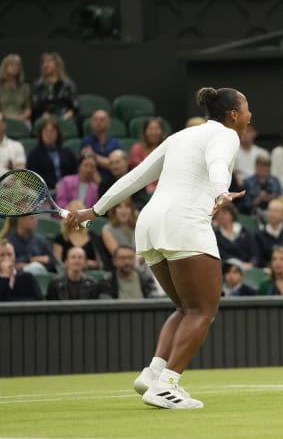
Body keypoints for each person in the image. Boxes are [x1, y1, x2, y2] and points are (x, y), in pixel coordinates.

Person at [66, 86, 250, 409]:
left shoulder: (180, 137)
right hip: (185, 222)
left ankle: (153, 373)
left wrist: (94, 210)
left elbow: (135, 177)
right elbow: (218, 161)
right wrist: (222, 190)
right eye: (247, 109)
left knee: (184, 308)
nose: (250, 115)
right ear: (233, 114)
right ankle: (168, 385)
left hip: (149, 224)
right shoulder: (227, 135)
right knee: (203, 310)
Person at [26, 116, 77, 189]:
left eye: (52, 131)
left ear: (57, 134)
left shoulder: (67, 152)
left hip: (68, 188)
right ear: (41, 134)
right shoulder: (34, 155)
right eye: (46, 131)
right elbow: (33, 179)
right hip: (45, 191)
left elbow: (74, 173)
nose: (49, 134)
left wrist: (65, 184)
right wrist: (54, 185)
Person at [52, 200, 105, 270]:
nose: (74, 217)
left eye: (77, 214)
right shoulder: (60, 238)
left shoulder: (92, 236)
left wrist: (90, 263)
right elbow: (57, 264)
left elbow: (101, 262)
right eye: (71, 213)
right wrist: (70, 264)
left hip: (91, 273)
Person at [0, 109, 26, 196]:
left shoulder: (17, 145)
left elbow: (22, 175)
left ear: (4, 125)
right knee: (16, 196)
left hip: (15, 186)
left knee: (38, 197)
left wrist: (12, 169)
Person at [46, 246, 112, 300]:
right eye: (73, 257)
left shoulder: (92, 284)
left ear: (85, 263)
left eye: (80, 258)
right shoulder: (55, 284)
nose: (76, 260)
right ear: (66, 262)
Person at [31, 52, 79, 122]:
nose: (45, 65)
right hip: (43, 118)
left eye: (48, 62)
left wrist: (67, 115)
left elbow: (75, 104)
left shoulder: (68, 84)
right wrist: (43, 114)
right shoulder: (38, 84)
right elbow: (35, 104)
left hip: (65, 117)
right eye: (43, 63)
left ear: (57, 65)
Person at [0, 54, 32, 127]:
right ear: (4, 67)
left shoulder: (25, 87)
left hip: (20, 119)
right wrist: (2, 119)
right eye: (11, 65)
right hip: (1, 120)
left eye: (17, 65)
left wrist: (21, 118)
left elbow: (28, 109)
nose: (15, 67)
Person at [254, 197, 283, 267]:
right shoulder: (259, 235)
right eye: (270, 210)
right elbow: (258, 257)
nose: (272, 214)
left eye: (276, 211)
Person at [212, 202, 259, 269]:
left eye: (224, 213)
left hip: (249, 267)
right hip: (227, 270)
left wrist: (252, 263)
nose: (220, 216)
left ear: (232, 213)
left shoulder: (245, 231)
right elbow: (221, 257)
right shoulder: (215, 236)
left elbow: (255, 253)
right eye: (217, 214)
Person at [80, 109, 122, 181]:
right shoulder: (86, 141)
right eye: (95, 120)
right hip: (94, 182)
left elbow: (117, 166)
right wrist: (100, 185)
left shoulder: (115, 143)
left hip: (114, 179)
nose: (98, 123)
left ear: (108, 123)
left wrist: (94, 155)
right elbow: (89, 166)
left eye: (102, 120)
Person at [128, 117, 167, 194]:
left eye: (157, 129)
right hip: (142, 189)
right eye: (150, 129)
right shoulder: (137, 149)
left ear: (162, 131)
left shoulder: (167, 149)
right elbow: (138, 174)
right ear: (145, 132)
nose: (154, 132)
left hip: (164, 187)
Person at [240, 153, 282, 219]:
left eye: (265, 166)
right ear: (255, 167)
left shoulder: (275, 181)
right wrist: (258, 200)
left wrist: (273, 198)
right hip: (254, 213)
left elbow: (281, 200)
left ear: (269, 168)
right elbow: (244, 205)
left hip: (273, 212)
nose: (262, 169)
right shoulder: (248, 182)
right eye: (260, 166)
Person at [233, 122, 269, 187]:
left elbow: (266, 175)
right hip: (240, 188)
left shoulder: (263, 153)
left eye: (248, 131)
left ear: (254, 133)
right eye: (242, 130)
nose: (244, 133)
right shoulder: (231, 152)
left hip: (259, 187)